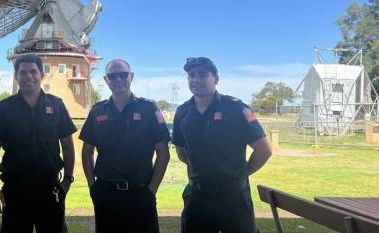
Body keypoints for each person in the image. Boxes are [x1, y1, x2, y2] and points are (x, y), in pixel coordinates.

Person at [172, 57, 272, 233]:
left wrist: (239, 173)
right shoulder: (183, 112)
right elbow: (180, 150)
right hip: (197, 196)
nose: (196, 79)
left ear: (216, 79)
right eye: (191, 75)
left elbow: (264, 150)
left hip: (233, 197)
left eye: (202, 74)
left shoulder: (235, 108)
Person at [0, 54, 77, 233]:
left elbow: (67, 145)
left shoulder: (56, 105)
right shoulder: (5, 107)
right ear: (16, 76)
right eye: (23, 72)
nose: (29, 76)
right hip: (15, 190)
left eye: (34, 71)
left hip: (50, 188)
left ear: (41, 74)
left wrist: (67, 179)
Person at [79, 59, 171, 233]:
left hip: (141, 193)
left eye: (123, 74)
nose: (118, 79)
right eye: (113, 76)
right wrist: (93, 186)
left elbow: (163, 154)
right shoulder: (97, 112)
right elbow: (87, 151)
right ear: (106, 80)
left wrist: (151, 190)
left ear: (132, 76)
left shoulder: (149, 109)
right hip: (106, 194)